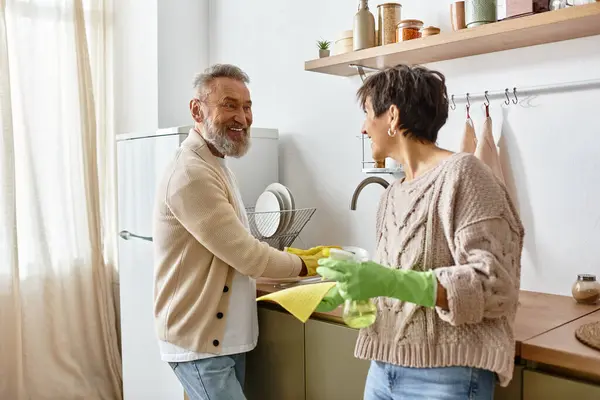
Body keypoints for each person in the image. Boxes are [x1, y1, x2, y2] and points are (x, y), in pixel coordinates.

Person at [316, 64, 524, 400]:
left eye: (368, 113)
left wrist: (387, 281)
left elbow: (496, 285)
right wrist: (352, 289)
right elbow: (400, 280)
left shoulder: (464, 174)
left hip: (447, 376)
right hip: (382, 368)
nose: (363, 128)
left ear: (393, 116)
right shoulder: (391, 194)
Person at [152, 64, 326, 400]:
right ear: (197, 109)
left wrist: (295, 260)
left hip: (221, 341)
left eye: (247, 107)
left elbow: (232, 248)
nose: (243, 118)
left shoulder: (215, 164)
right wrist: (308, 266)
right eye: (229, 105)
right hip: (200, 345)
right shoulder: (191, 174)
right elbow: (247, 256)